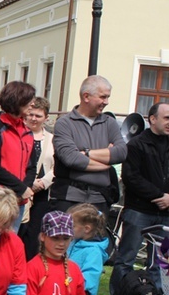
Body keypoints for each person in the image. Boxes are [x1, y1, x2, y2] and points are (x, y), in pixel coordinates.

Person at [110, 102, 169, 294]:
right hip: (138, 211)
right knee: (126, 258)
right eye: (166, 118)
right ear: (153, 119)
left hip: (166, 213)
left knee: (161, 262)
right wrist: (159, 195)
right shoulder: (136, 144)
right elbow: (131, 177)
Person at [51, 75, 127, 214]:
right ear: (86, 97)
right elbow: (71, 158)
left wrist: (86, 153)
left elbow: (121, 152)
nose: (107, 102)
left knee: (97, 236)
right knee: (66, 236)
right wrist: (106, 162)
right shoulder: (65, 123)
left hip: (100, 199)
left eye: (108, 97)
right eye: (103, 97)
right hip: (69, 199)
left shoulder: (110, 123)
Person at [0, 81, 37, 233]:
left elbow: (31, 166)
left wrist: (25, 189)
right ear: (18, 100)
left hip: (17, 201)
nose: (33, 104)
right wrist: (20, 188)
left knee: (8, 246)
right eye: (29, 100)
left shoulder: (28, 132)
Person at [18, 97, 55, 260]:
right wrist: (28, 183)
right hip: (22, 189)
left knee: (34, 236)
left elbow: (57, 166)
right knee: (18, 231)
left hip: (42, 194)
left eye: (38, 116)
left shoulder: (53, 139)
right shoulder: (18, 135)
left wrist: (44, 182)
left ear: (46, 118)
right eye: (31, 114)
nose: (33, 119)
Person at [67, 204, 108, 295]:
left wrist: (67, 283)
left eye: (72, 226)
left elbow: (89, 280)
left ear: (86, 229)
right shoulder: (72, 243)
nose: (68, 229)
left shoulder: (94, 252)